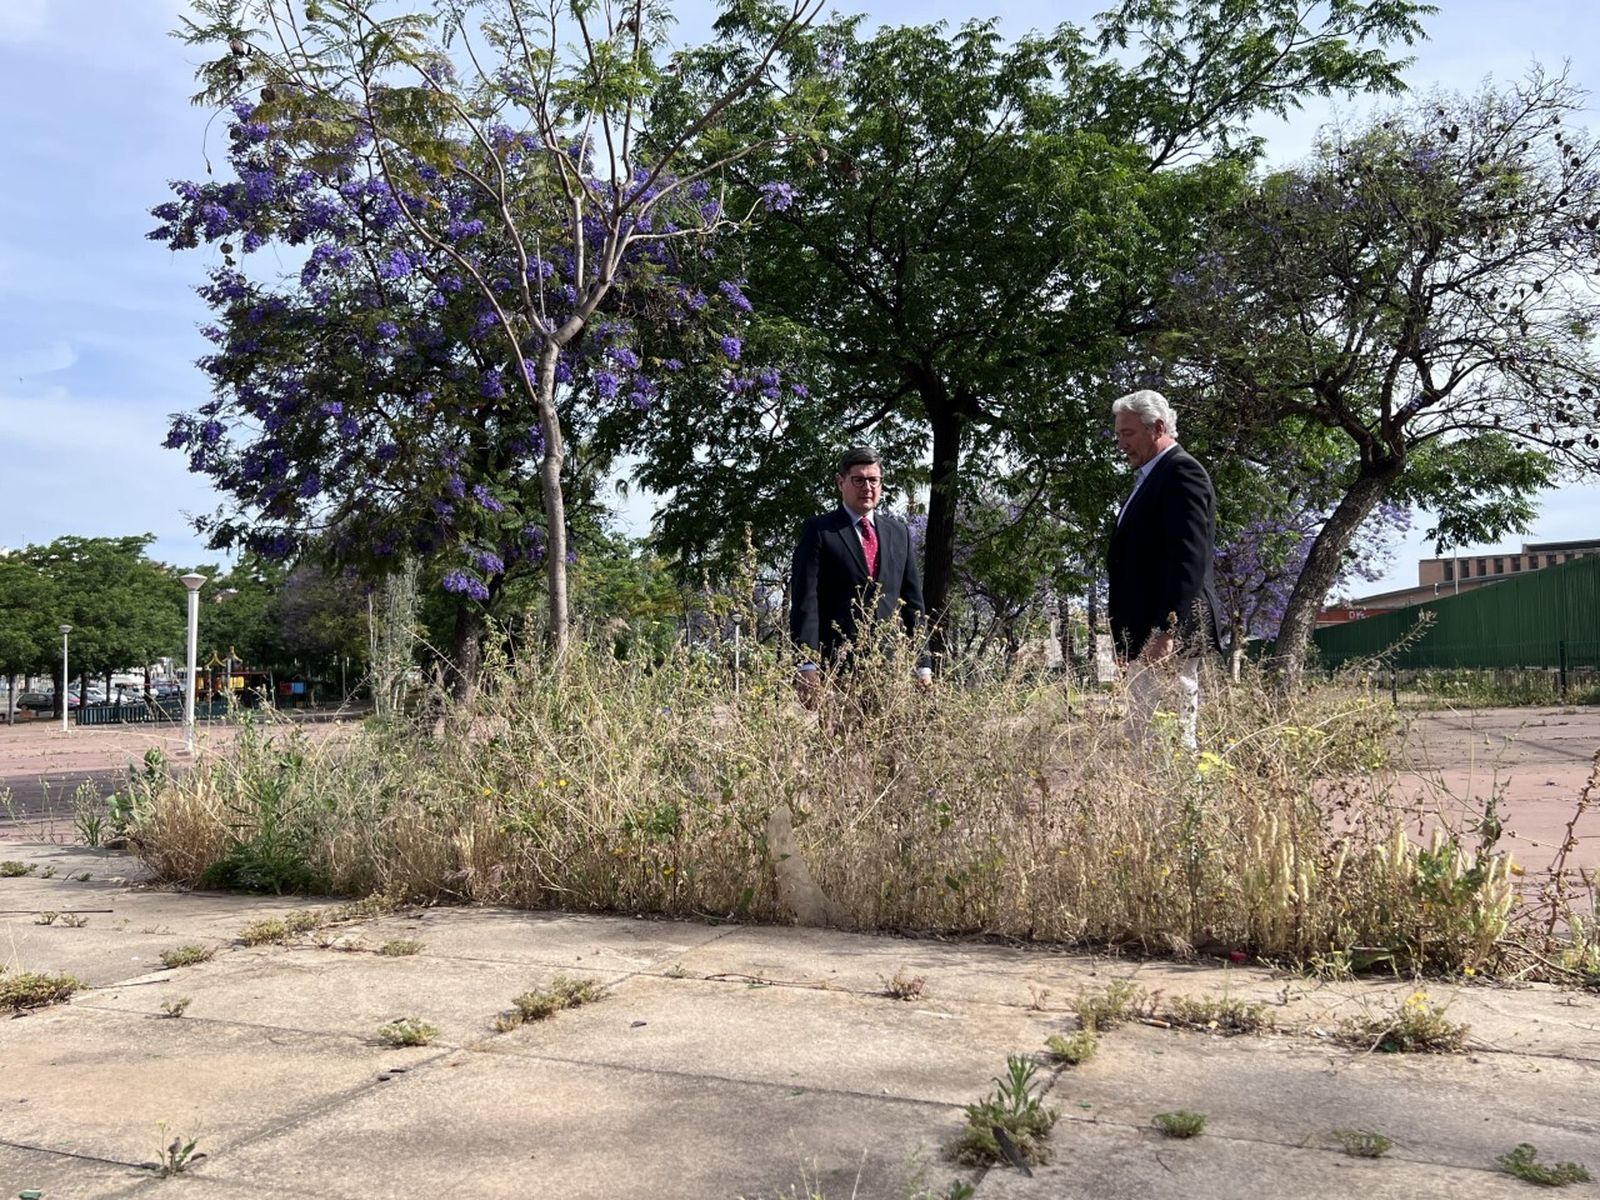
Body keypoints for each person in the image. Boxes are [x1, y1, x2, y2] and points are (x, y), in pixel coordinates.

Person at [1106, 389, 1223, 750]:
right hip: (1144, 634)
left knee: (1171, 742)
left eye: (1128, 434)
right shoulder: (1152, 477)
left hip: (1167, 636)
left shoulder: (1181, 473)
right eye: (1118, 435)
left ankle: (1189, 807)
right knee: (1146, 737)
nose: (1121, 444)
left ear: (1156, 427)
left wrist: (1164, 631)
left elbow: (1188, 561)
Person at [789, 446, 931, 703]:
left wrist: (923, 665)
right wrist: (806, 665)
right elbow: (805, 602)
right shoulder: (820, 531)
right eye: (859, 480)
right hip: (837, 668)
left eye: (873, 480)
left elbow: (913, 605)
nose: (867, 487)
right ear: (841, 482)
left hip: (891, 669)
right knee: (841, 741)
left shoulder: (898, 533)